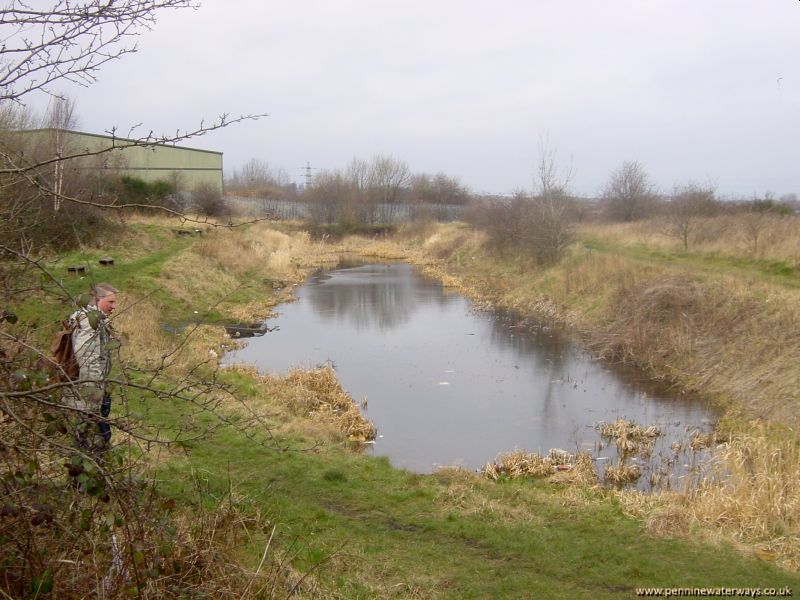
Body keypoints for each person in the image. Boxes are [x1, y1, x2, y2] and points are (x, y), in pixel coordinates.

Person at [64, 283, 119, 452]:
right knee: (95, 438)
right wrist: (95, 399)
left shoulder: (90, 318)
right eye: (110, 302)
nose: (114, 306)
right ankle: (91, 469)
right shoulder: (90, 322)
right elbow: (88, 360)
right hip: (88, 391)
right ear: (97, 300)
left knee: (91, 436)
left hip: (88, 389)